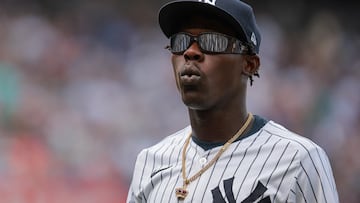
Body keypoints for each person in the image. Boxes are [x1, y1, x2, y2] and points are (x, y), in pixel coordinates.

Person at [127, 0, 339, 202]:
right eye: (181, 40)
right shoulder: (150, 161)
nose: (190, 52)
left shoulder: (298, 159)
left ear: (249, 64)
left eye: (212, 41)